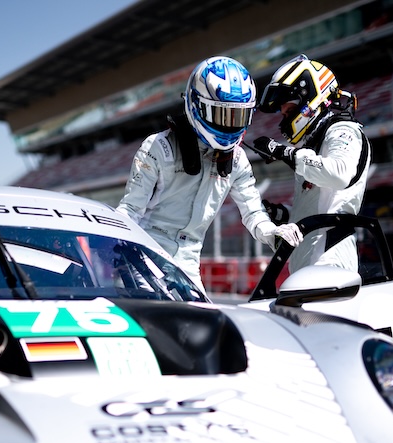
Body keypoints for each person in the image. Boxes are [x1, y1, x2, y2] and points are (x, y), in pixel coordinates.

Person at [116, 56, 302, 291]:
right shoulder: (159, 147)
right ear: (197, 104)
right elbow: (129, 211)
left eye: (238, 116)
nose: (230, 125)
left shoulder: (237, 159)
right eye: (223, 115)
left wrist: (273, 232)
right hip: (144, 255)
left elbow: (253, 213)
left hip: (189, 262)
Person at [249, 54, 371, 275]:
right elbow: (318, 209)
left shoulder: (344, 130)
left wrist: (281, 151)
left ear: (310, 98)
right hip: (309, 263)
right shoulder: (318, 140)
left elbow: (339, 174)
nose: (284, 120)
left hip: (329, 261)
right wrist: (279, 214)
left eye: (289, 111)